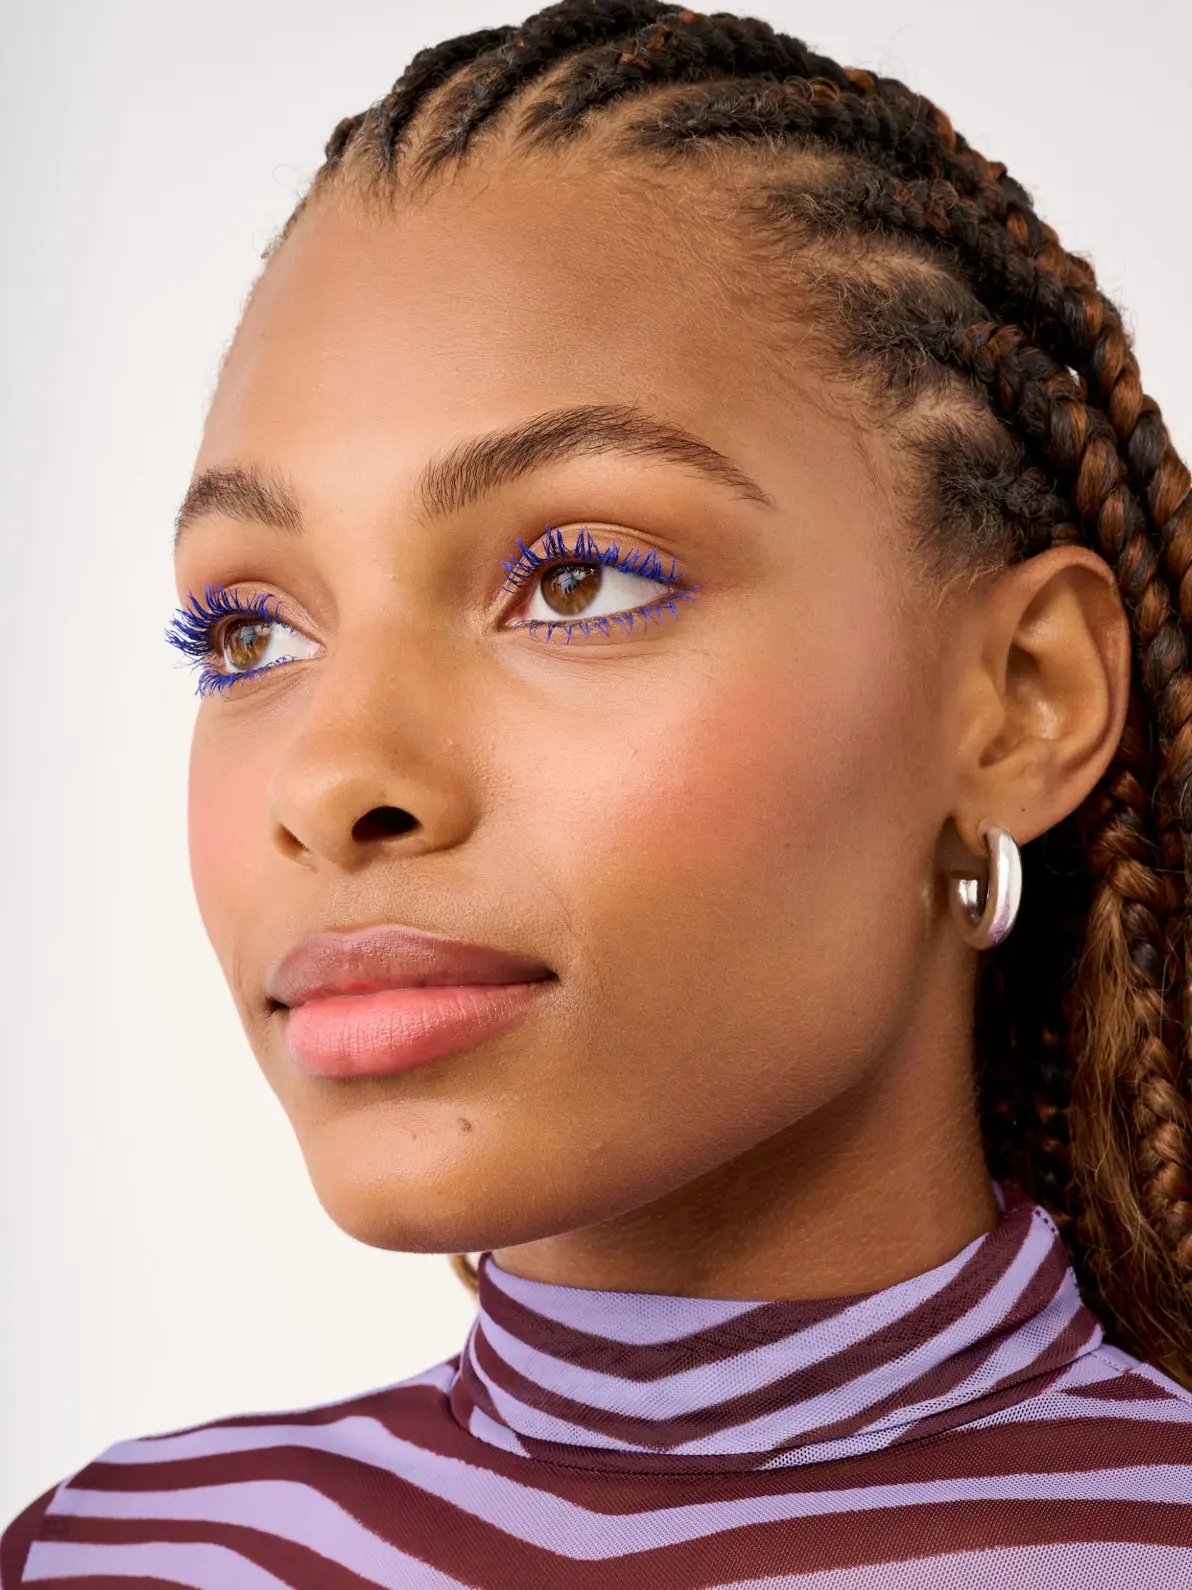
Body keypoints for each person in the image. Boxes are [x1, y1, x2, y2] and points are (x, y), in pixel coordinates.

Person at [6, 1, 1192, 1584]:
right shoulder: (115, 1555)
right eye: (249, 628)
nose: (338, 779)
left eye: (575, 581)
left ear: (1022, 701)